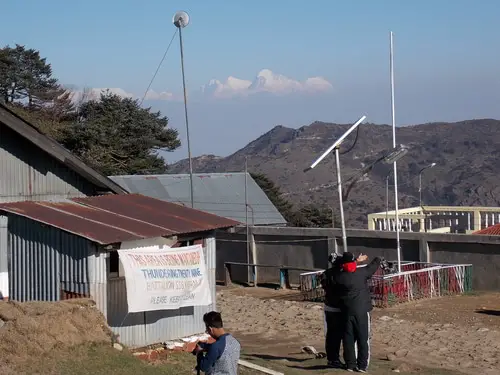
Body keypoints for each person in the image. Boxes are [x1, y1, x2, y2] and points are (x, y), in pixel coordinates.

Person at [333, 252, 381, 373]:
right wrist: (378, 258)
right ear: (353, 263)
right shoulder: (361, 273)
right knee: (363, 338)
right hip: (362, 311)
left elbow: (342, 266)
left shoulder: (339, 276)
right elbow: (372, 267)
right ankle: (362, 365)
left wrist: (356, 261)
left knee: (348, 339)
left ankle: (350, 364)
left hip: (346, 311)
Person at [321, 252, 368, 369]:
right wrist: (356, 261)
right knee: (344, 337)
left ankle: (335, 359)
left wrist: (356, 260)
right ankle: (341, 360)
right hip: (339, 309)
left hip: (331, 308)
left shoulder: (328, 274)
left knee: (334, 336)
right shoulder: (340, 275)